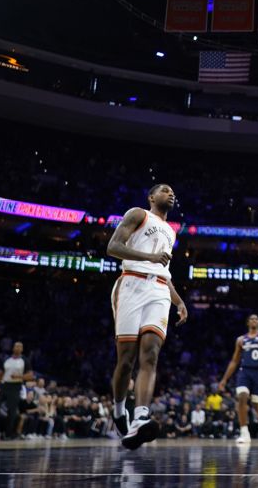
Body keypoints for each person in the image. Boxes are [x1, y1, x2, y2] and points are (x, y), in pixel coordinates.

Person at [106, 183, 189, 449]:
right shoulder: (138, 214)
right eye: (165, 190)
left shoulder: (172, 231)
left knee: (150, 353)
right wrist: (149, 257)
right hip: (131, 284)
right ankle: (119, 409)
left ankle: (140, 417)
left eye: (173, 191)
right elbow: (113, 247)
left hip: (160, 290)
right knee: (127, 360)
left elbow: (164, 268)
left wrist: (179, 301)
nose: (171, 193)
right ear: (151, 197)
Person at [218, 314, 258, 444]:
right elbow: (234, 361)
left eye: (256, 318)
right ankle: (244, 433)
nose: (254, 320)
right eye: (251, 319)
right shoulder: (241, 340)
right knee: (242, 397)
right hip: (244, 372)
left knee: (257, 406)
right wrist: (224, 379)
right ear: (247, 323)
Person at [0, 341, 32, 439]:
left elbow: (30, 376)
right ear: (13, 348)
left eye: (20, 346)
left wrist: (18, 376)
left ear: (22, 349)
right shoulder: (7, 359)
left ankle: (9, 434)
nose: (17, 348)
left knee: (12, 412)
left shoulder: (25, 360)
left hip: (15, 386)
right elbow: (0, 373)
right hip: (4, 385)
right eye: (16, 346)